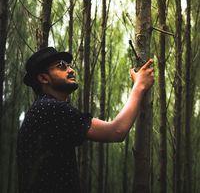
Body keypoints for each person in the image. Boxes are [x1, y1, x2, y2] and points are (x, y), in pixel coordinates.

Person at [17, 47, 154, 193]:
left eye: (69, 65)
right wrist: (139, 86)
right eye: (61, 66)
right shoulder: (50, 108)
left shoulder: (43, 109)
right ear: (44, 78)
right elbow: (116, 131)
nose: (71, 70)